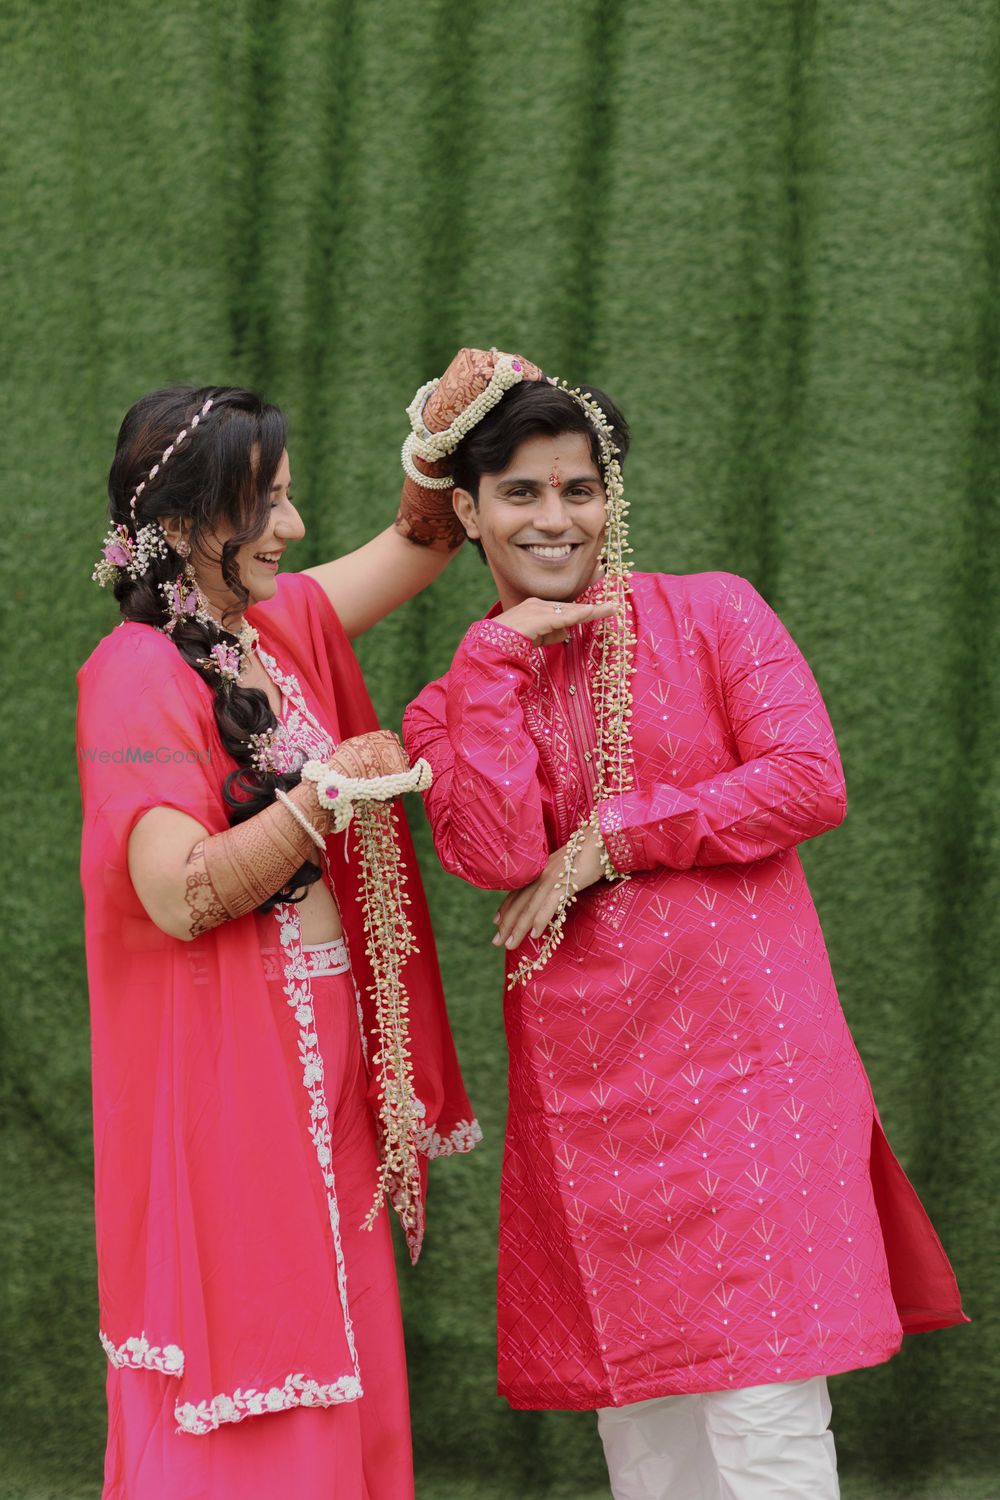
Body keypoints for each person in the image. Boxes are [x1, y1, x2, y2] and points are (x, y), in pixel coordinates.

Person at [401, 348, 966, 1500]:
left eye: (580, 489)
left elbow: (806, 779)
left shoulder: (712, 613)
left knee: (766, 1406)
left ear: (611, 496)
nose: (555, 518)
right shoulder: (451, 700)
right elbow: (494, 854)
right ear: (467, 511)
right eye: (521, 492)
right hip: (593, 1100)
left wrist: (612, 836)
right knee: (648, 1423)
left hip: (752, 1072)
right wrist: (497, 658)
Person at [77, 382, 481, 1499]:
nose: (293, 530)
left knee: (340, 1311)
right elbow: (179, 894)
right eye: (268, 507)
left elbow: (421, 538)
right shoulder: (135, 676)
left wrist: (454, 424)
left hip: (333, 1044)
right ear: (182, 523)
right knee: (256, 1325)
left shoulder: (281, 624)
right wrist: (321, 798)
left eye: (291, 499)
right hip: (232, 1067)